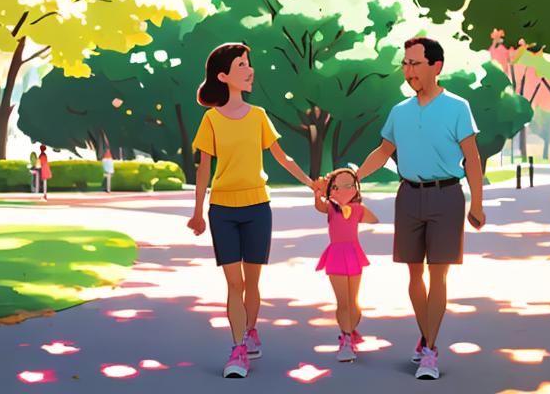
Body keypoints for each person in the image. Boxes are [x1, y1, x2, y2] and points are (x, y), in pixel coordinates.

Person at [352, 37, 485, 380]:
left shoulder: (458, 107)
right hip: (409, 196)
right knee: (414, 274)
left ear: (436, 66)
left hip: (447, 195)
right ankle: (427, 336)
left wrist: (478, 203)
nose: (409, 70)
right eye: (406, 63)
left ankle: (429, 350)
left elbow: (471, 157)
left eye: (415, 63)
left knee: (438, 273)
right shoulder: (400, 111)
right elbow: (383, 151)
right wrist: (354, 176)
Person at [186, 42, 317, 379]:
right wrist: (198, 212)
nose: (249, 70)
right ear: (223, 76)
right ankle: (238, 348)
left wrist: (310, 183)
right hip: (222, 210)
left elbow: (282, 157)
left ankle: (250, 329)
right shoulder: (211, 119)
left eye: (248, 63)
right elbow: (203, 169)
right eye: (241, 65)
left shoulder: (258, 116)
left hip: (258, 207)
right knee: (234, 284)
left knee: (252, 282)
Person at [314, 167, 378, 363]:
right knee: (342, 302)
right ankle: (346, 338)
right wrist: (318, 193)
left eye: (349, 186)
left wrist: (357, 208)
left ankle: (350, 329)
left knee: (353, 302)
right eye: (337, 187)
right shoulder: (330, 208)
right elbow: (319, 206)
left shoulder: (357, 209)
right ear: (332, 190)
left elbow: (373, 219)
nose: (343, 190)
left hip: (353, 254)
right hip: (335, 255)